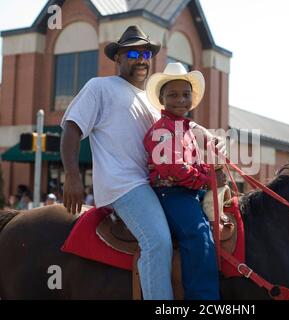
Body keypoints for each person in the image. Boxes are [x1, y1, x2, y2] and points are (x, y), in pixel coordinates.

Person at [60, 25, 174, 300]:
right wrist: (73, 176)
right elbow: (72, 130)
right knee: (157, 242)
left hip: (152, 185)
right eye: (133, 52)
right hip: (124, 185)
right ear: (118, 58)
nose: (141, 59)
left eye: (146, 53)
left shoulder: (151, 101)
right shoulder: (100, 86)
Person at [143, 62, 226, 299]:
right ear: (162, 99)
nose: (181, 100)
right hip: (172, 194)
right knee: (199, 236)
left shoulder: (186, 129)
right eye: (173, 95)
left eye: (186, 94)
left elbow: (192, 164)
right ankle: (203, 298)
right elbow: (174, 169)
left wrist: (209, 170)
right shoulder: (160, 130)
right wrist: (208, 180)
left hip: (188, 190)